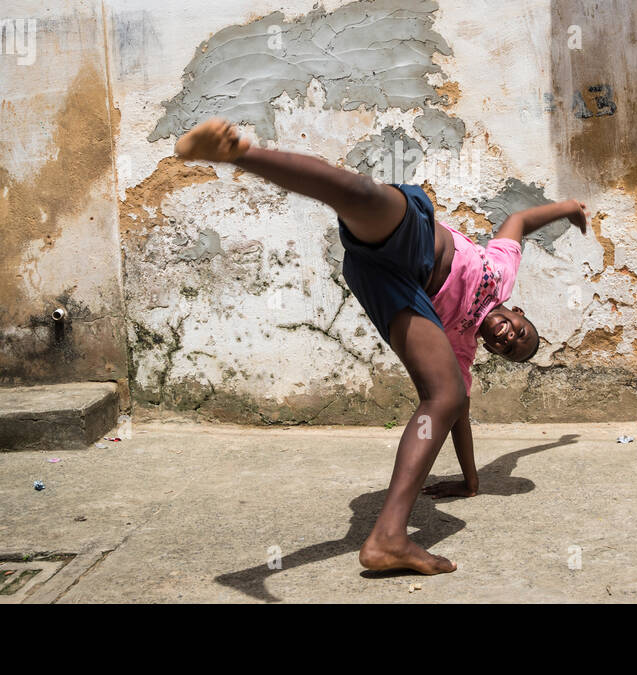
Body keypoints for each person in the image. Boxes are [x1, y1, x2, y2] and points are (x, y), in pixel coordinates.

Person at [174, 118, 588, 575]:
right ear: (520, 313)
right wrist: (567, 206)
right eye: (519, 333)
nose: (510, 338)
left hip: (390, 287)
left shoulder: (460, 343)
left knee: (446, 394)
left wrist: (472, 483)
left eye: (509, 349)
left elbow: (457, 417)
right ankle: (239, 153)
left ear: (493, 351)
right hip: (413, 240)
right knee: (360, 195)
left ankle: (388, 539)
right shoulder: (503, 271)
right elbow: (519, 220)